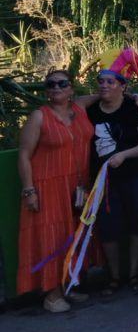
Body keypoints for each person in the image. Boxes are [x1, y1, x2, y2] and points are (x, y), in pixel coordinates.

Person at [16, 69, 95, 312]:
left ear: (72, 88)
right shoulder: (39, 116)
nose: (56, 88)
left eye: (62, 83)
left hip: (76, 186)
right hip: (48, 186)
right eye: (50, 85)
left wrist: (135, 96)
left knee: (73, 234)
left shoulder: (80, 106)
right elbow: (24, 155)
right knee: (52, 238)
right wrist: (29, 190)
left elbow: (109, 93)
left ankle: (68, 285)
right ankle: (52, 294)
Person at [89, 67, 138, 294]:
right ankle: (114, 278)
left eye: (110, 82)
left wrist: (124, 155)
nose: (104, 86)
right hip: (104, 180)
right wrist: (113, 94)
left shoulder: (135, 109)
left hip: (136, 174)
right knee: (108, 227)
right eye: (101, 82)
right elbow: (73, 101)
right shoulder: (91, 110)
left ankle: (136, 273)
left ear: (122, 85)